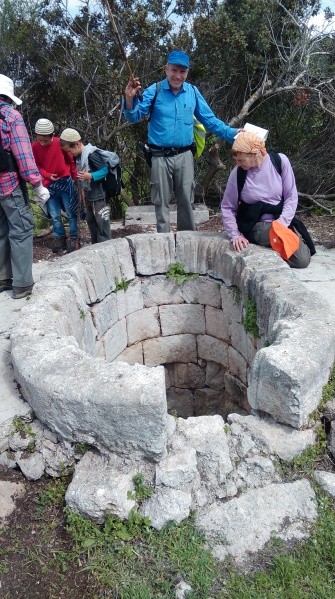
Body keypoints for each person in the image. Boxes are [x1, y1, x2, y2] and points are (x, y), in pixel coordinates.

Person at [123, 49, 241, 233]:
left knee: (186, 199)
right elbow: (134, 116)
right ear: (166, 69)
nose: (178, 76)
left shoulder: (192, 92)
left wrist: (233, 134)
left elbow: (209, 120)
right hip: (159, 156)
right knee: (161, 200)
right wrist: (129, 100)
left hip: (185, 155)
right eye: (174, 70)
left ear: (187, 72)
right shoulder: (155, 90)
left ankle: (187, 239)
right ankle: (163, 241)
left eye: (182, 71)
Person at [221, 131, 313, 268]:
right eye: (236, 160)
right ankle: (277, 243)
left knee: (302, 260)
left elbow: (291, 196)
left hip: (280, 221)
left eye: (241, 160)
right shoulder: (238, 173)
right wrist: (235, 235)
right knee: (296, 255)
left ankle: (279, 244)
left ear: (255, 153)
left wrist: (282, 223)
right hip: (255, 224)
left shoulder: (280, 161)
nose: (237, 164)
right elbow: (228, 207)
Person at [0, 74, 50, 299]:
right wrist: (38, 185)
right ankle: (22, 284)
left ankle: (3, 278)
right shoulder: (10, 116)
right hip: (8, 184)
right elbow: (22, 154)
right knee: (21, 229)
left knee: (1, 230)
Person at [32, 118, 78, 253]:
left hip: (65, 181)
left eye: (45, 140)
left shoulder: (60, 143)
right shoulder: (35, 147)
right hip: (49, 184)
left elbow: (70, 160)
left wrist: (74, 177)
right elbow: (37, 165)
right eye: (40, 140)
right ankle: (60, 237)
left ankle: (75, 238)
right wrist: (47, 175)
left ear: (53, 135)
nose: (42, 143)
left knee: (71, 212)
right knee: (54, 214)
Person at [59, 128, 112, 244]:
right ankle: (95, 244)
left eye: (69, 150)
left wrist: (90, 176)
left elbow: (104, 170)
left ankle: (106, 244)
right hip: (88, 194)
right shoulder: (78, 157)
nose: (69, 154)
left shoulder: (91, 154)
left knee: (102, 221)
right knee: (91, 220)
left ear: (77, 144)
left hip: (99, 195)